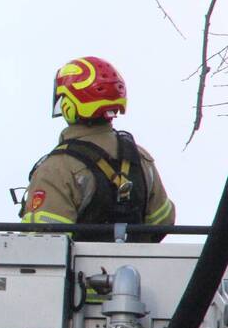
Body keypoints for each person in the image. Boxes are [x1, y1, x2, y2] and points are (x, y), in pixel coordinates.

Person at [20, 56, 175, 242]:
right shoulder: (140, 158)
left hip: (83, 271)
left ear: (70, 106)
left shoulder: (57, 168)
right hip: (140, 268)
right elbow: (163, 221)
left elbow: (42, 243)